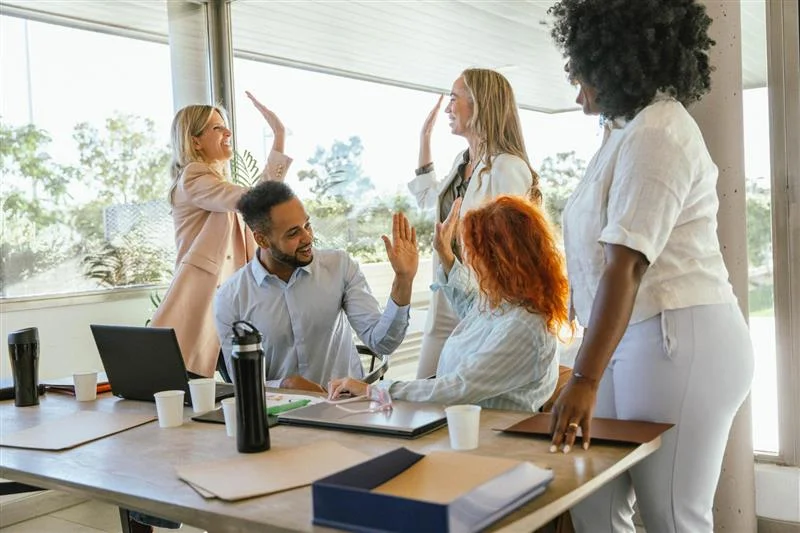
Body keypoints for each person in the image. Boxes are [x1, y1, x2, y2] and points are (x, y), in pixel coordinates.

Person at [546, 1, 754, 532]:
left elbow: (626, 265)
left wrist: (584, 378)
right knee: (593, 501)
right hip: (625, 337)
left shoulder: (660, 130)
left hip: (679, 334)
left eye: (583, 75)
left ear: (617, 59)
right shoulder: (622, 131)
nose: (578, 94)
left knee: (672, 518)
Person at [329, 195, 569, 411]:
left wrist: (373, 390)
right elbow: (472, 308)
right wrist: (445, 255)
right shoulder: (504, 303)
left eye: (474, 253)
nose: (470, 260)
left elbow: (459, 387)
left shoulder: (524, 326)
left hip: (489, 442)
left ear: (499, 261)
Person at [213, 181, 419, 392]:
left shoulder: (339, 267)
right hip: (280, 416)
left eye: (307, 225)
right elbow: (242, 381)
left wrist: (404, 279)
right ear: (262, 240)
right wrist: (285, 385)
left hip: (346, 409)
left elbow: (382, 343)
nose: (308, 237)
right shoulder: (230, 298)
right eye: (293, 233)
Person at [409, 68, 540, 379]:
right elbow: (429, 199)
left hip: (483, 302)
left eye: (454, 99)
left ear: (480, 103)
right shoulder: (462, 163)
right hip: (446, 296)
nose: (448, 108)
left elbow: (509, 252)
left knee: (464, 400)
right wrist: (424, 139)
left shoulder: (508, 168)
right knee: (423, 393)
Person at [150, 92, 292, 378]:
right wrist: (278, 135)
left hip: (230, 307)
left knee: (246, 388)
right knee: (197, 392)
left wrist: (279, 136)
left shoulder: (217, 185)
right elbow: (258, 199)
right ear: (195, 140)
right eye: (217, 128)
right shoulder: (194, 177)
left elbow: (257, 202)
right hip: (202, 305)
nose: (228, 132)